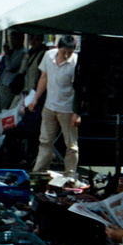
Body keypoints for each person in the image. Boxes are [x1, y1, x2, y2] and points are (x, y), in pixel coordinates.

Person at [24, 34, 80, 173]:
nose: (66, 55)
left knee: (71, 145)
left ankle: (70, 175)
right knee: (45, 141)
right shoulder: (48, 56)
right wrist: (36, 98)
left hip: (67, 109)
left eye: (70, 52)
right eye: (63, 52)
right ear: (57, 47)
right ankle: (39, 172)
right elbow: (44, 77)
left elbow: (80, 89)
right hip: (49, 106)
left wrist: (77, 113)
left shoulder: (76, 62)